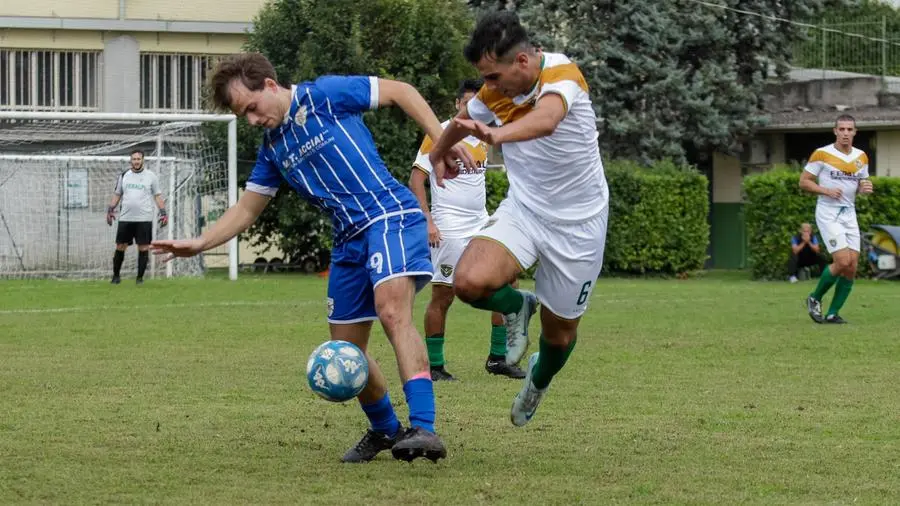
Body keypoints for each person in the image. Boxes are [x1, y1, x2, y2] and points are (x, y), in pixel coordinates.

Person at [150, 52, 475, 462]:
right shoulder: (273, 149)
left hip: (389, 215)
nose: (251, 120)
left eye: (251, 108)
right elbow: (246, 210)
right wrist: (199, 243)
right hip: (347, 242)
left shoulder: (325, 94)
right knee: (346, 350)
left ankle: (424, 427)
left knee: (393, 312)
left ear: (269, 85)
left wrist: (440, 146)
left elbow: (402, 92)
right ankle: (386, 430)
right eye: (242, 115)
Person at [426, 12, 610, 426]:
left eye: (493, 77)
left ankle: (537, 383)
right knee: (468, 282)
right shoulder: (494, 93)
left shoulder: (562, 74)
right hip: (525, 210)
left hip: (579, 224)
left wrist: (496, 135)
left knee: (559, 335)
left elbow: (546, 120)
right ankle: (518, 307)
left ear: (522, 62)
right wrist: (439, 153)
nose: (488, 88)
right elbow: (462, 122)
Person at [408, 78, 526, 381]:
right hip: (448, 225)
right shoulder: (440, 132)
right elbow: (416, 180)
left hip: (480, 222)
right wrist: (428, 220)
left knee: (505, 283)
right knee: (443, 296)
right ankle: (435, 366)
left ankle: (498, 359)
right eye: (467, 103)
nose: (472, 109)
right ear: (457, 104)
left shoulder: (483, 135)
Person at [800, 114, 874, 324]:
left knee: (851, 266)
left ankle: (833, 313)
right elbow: (804, 182)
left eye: (849, 130)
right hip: (828, 213)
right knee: (842, 261)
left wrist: (865, 188)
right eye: (841, 129)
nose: (845, 133)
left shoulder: (861, 157)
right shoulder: (822, 154)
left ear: (855, 132)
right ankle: (814, 298)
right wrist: (825, 190)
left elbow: (861, 185)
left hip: (849, 214)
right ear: (835, 131)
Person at [106, 150, 167, 285]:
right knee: (120, 246)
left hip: (144, 219)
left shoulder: (151, 176)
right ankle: (116, 277)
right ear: (130, 161)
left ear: (143, 160)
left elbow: (157, 196)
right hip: (126, 218)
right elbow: (117, 194)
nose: (136, 161)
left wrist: (163, 212)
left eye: (139, 159)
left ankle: (139, 279)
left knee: (143, 248)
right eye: (134, 159)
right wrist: (110, 209)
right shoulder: (124, 175)